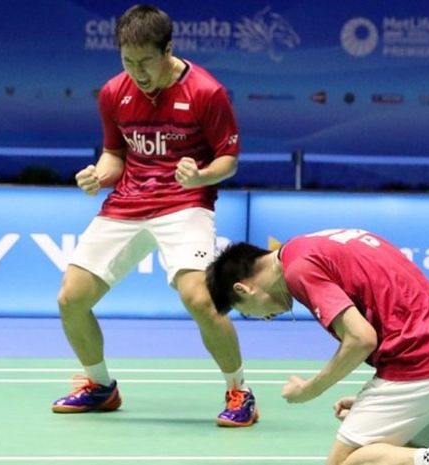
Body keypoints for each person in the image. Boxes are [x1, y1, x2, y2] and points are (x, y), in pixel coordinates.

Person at [51, 4, 258, 427]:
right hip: (127, 203)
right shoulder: (113, 92)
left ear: (168, 49)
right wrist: (99, 176)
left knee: (200, 298)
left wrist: (199, 175)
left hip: (184, 203)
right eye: (128, 61)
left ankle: (240, 391)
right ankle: (100, 387)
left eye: (145, 61)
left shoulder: (206, 92)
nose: (137, 71)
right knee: (71, 299)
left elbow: (229, 160)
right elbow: (115, 154)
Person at [205, 228, 429, 464]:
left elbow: (361, 339)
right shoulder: (320, 241)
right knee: (405, 452)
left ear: (243, 289)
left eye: (247, 313)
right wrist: (371, 400)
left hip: (420, 363)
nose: (264, 317)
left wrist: (308, 390)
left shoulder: (298, 269)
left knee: (348, 462)